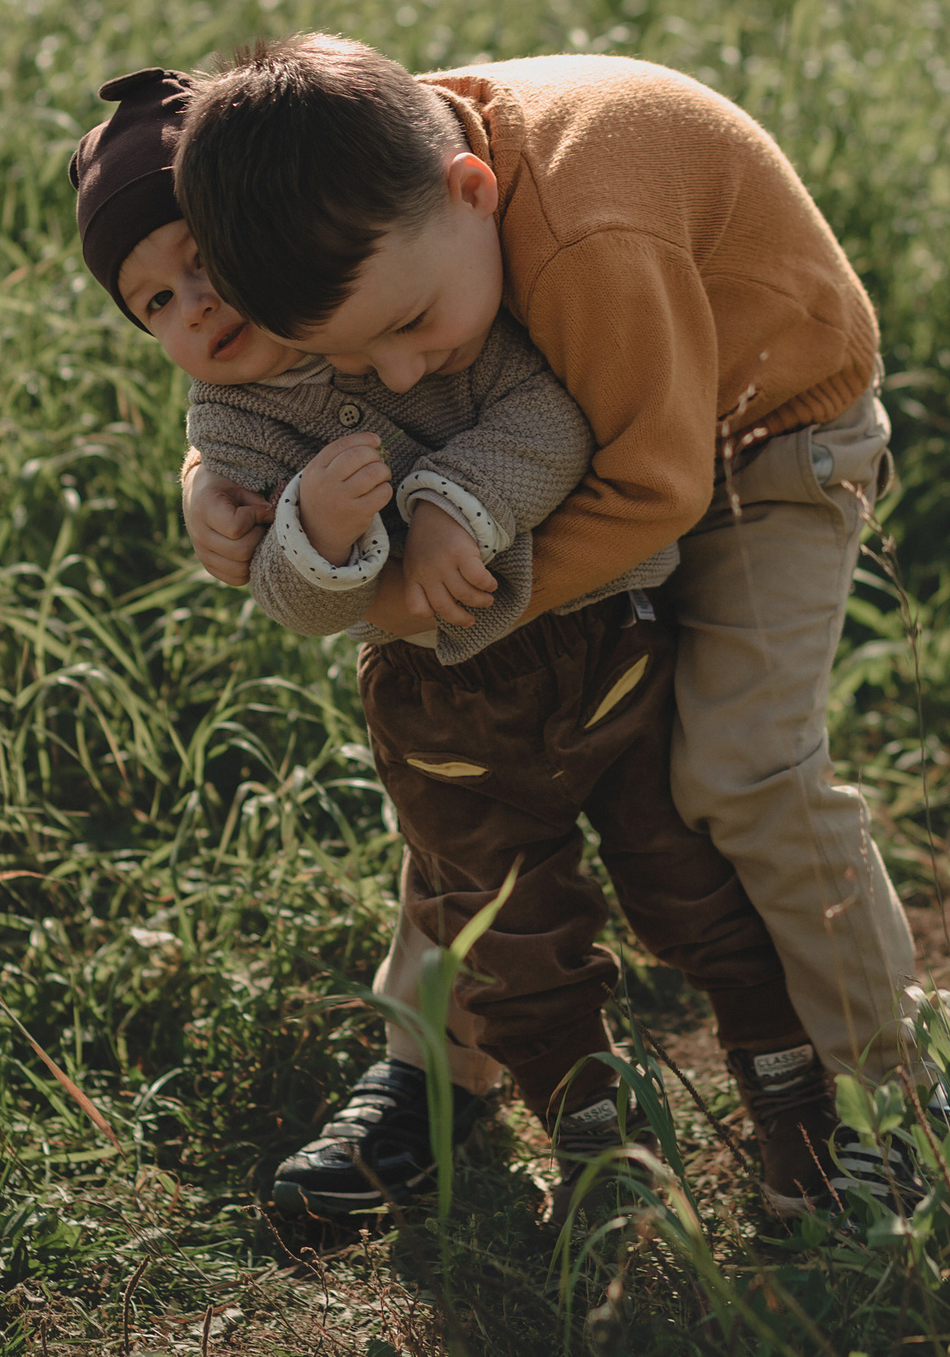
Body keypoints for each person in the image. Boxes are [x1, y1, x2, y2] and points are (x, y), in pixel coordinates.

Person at [71, 67, 843, 1220]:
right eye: (154, 305)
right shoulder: (287, 358)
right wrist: (257, 512)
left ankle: (849, 1086)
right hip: (479, 659)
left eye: (207, 268)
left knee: (710, 807)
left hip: (705, 478)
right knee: (468, 851)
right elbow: (268, 498)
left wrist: (445, 543)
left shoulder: (416, 237)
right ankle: (437, 1084)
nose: (195, 306)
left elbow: (600, 450)